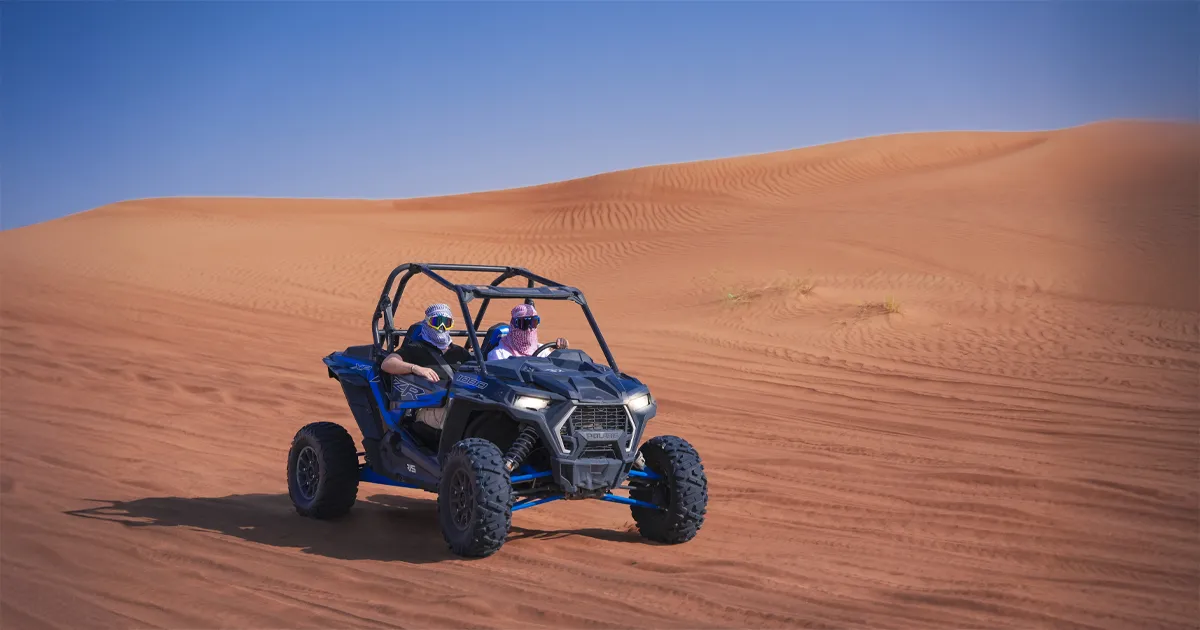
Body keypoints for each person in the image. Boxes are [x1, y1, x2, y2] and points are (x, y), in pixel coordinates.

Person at [380, 303, 470, 430]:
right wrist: (416, 368)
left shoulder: (461, 353)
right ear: (427, 323)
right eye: (436, 322)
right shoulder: (416, 349)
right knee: (460, 419)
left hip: (458, 404)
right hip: (429, 408)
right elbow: (387, 363)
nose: (442, 327)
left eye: (447, 323)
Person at [486, 303, 568, 361]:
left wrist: (562, 351)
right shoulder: (499, 355)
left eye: (533, 323)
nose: (529, 329)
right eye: (524, 323)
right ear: (514, 325)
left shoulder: (542, 351)